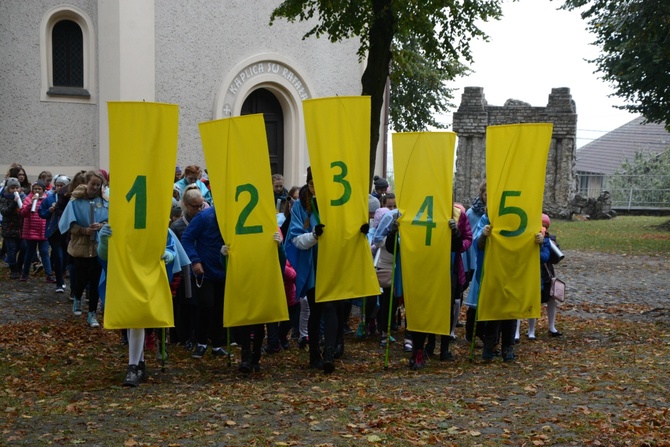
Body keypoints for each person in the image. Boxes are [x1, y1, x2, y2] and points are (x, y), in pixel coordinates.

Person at [97, 224, 190, 387]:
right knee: (132, 319)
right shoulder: (118, 224)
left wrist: (167, 254)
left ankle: (134, 366)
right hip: (126, 275)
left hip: (149, 275)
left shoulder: (159, 225)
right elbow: (105, 256)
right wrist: (104, 241)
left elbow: (171, 249)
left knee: (137, 320)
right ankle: (138, 363)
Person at [285, 167, 341, 373]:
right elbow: (295, 239)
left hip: (333, 263)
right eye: (311, 184)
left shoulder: (336, 203)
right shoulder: (300, 207)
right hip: (313, 265)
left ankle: (329, 354)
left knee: (330, 307)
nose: (314, 188)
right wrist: (314, 236)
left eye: (318, 184)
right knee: (316, 310)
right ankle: (314, 355)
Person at [471, 213, 547, 362]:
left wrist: (540, 241)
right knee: (494, 308)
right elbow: (478, 244)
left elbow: (532, 242)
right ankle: (489, 345)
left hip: (514, 268)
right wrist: (484, 235)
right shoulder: (488, 217)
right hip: (495, 268)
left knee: (511, 310)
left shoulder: (524, 215)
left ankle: (508, 346)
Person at [58, 170, 109, 328]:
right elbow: (68, 225)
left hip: (97, 247)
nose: (94, 187)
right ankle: (77, 297)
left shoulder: (105, 202)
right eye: (92, 184)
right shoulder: (75, 201)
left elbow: (111, 221)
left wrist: (101, 226)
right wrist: (83, 230)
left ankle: (92, 314)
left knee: (94, 281)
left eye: (98, 185)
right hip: (80, 247)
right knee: (81, 278)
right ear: (87, 183)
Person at [424, 203, 473, 361]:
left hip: (451, 267)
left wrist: (457, 235)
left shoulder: (459, 214)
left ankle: (444, 347)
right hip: (431, 266)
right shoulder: (428, 211)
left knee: (448, 307)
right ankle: (430, 343)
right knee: (431, 306)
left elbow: (467, 238)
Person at [180, 205, 229, 359]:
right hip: (205, 272)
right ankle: (201, 343)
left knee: (220, 308)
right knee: (205, 306)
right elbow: (187, 238)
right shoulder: (205, 216)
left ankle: (217, 344)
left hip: (226, 270)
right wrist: (195, 261)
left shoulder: (234, 216)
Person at [169, 184, 209, 350]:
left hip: (202, 270)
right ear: (185, 205)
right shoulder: (177, 226)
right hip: (184, 272)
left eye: (202, 205)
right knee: (185, 305)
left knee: (201, 304)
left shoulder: (206, 220)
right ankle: (183, 336)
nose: (199, 209)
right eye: (195, 206)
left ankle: (199, 335)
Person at [516, 214, 563, 340]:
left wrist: (546, 244)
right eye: (541, 225)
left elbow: (552, 258)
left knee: (551, 299)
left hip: (546, 275)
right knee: (526, 300)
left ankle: (552, 326)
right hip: (528, 274)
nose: (543, 228)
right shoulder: (528, 238)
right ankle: (517, 331)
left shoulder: (550, 240)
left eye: (545, 226)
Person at [38, 175, 70, 292]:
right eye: (58, 185)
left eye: (62, 186)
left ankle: (62, 276)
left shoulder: (70, 199)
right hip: (53, 231)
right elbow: (41, 212)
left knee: (66, 257)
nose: (59, 188)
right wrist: (49, 211)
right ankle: (59, 283)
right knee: (58, 256)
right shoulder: (50, 198)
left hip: (66, 232)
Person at [20, 181, 54, 282]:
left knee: (44, 252)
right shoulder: (28, 199)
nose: (37, 191)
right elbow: (23, 213)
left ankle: (49, 274)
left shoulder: (47, 199)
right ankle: (25, 273)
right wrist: (31, 204)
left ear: (43, 190)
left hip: (44, 230)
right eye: (35, 189)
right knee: (29, 253)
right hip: (31, 230)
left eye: (39, 189)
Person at [0, 177, 27, 279]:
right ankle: (13, 270)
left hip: (21, 228)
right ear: (8, 189)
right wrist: (13, 203)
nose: (15, 190)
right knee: (11, 249)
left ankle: (19, 267)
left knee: (24, 248)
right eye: (12, 188)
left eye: (17, 187)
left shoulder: (23, 197)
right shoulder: (4, 198)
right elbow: (4, 212)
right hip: (9, 229)